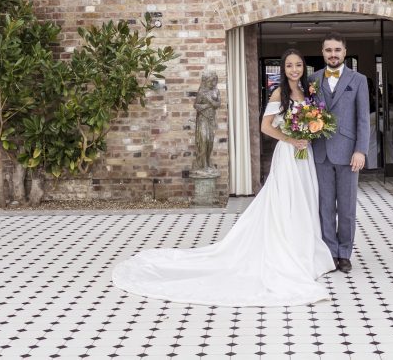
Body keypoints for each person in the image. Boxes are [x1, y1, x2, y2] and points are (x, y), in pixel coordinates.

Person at [110, 49, 335, 306]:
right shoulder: (278, 94)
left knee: (305, 200)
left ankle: (305, 249)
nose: (294, 70)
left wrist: (308, 133)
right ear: (283, 70)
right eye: (289, 66)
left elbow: (312, 122)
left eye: (298, 65)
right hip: (288, 154)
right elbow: (266, 127)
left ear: (303, 68)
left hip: (303, 157)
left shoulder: (308, 93)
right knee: (287, 202)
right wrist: (291, 139)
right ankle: (287, 252)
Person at [310, 32, 370, 274]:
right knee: (325, 206)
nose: (332, 54)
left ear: (344, 52)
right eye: (328, 50)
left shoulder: (359, 80)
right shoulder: (312, 79)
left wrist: (361, 151)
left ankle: (344, 253)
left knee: (346, 207)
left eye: (337, 50)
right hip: (320, 152)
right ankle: (329, 253)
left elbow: (363, 119)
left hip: (348, 153)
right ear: (323, 52)